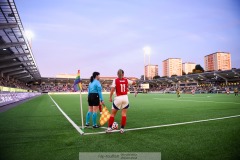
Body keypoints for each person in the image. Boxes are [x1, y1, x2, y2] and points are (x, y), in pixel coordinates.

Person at [106, 69, 136, 134]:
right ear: (123, 74)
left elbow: (112, 90)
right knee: (124, 114)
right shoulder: (126, 80)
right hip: (125, 98)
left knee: (113, 114)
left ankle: (109, 128)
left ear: (117, 74)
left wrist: (110, 97)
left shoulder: (115, 80)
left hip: (118, 98)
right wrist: (127, 78)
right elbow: (134, 82)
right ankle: (122, 129)